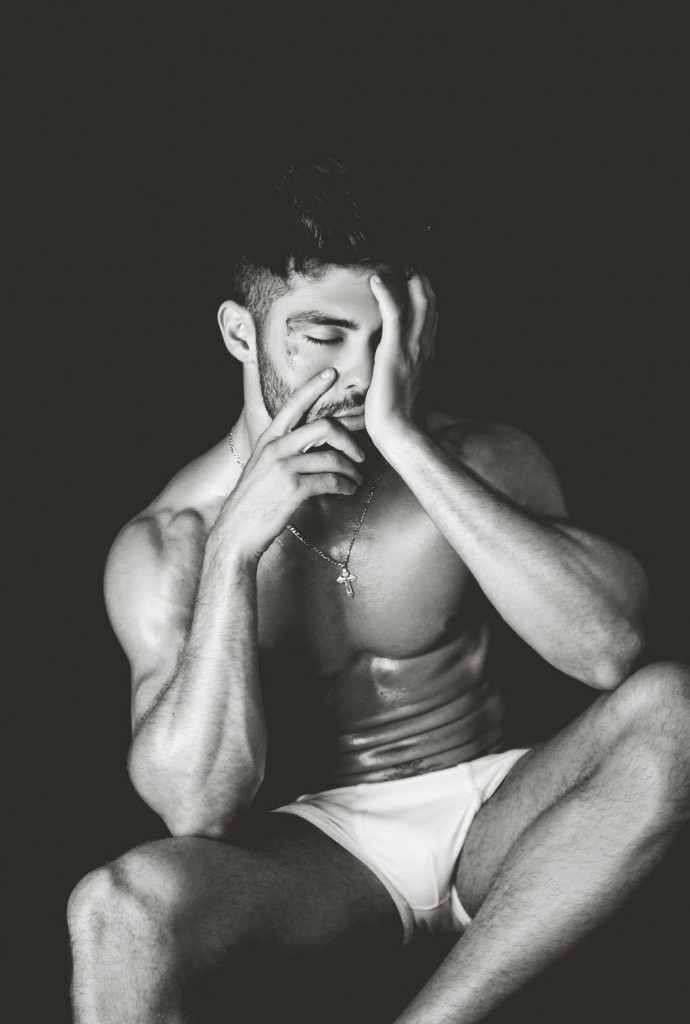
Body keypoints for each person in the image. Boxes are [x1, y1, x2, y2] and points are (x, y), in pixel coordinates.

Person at [67, 158, 690, 1024]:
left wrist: (406, 443)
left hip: (502, 813)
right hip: (325, 853)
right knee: (115, 910)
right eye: (323, 337)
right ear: (241, 335)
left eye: (384, 335)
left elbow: (610, 651)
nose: (362, 371)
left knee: (676, 708)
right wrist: (234, 549)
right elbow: (194, 806)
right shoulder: (170, 541)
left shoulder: (477, 458)